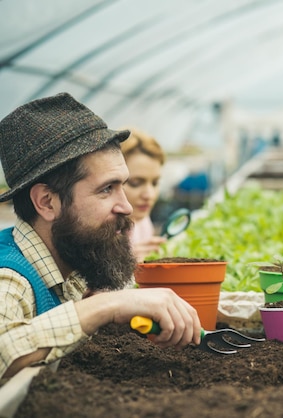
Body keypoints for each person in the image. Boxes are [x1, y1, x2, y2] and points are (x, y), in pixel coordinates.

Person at [0, 93, 202, 381]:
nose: (127, 206)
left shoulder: (71, 263)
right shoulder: (10, 279)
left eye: (122, 185)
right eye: (107, 189)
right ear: (46, 202)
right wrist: (108, 306)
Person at [120, 128, 167, 262]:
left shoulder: (143, 222)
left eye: (155, 183)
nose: (149, 195)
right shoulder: (96, 233)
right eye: (135, 183)